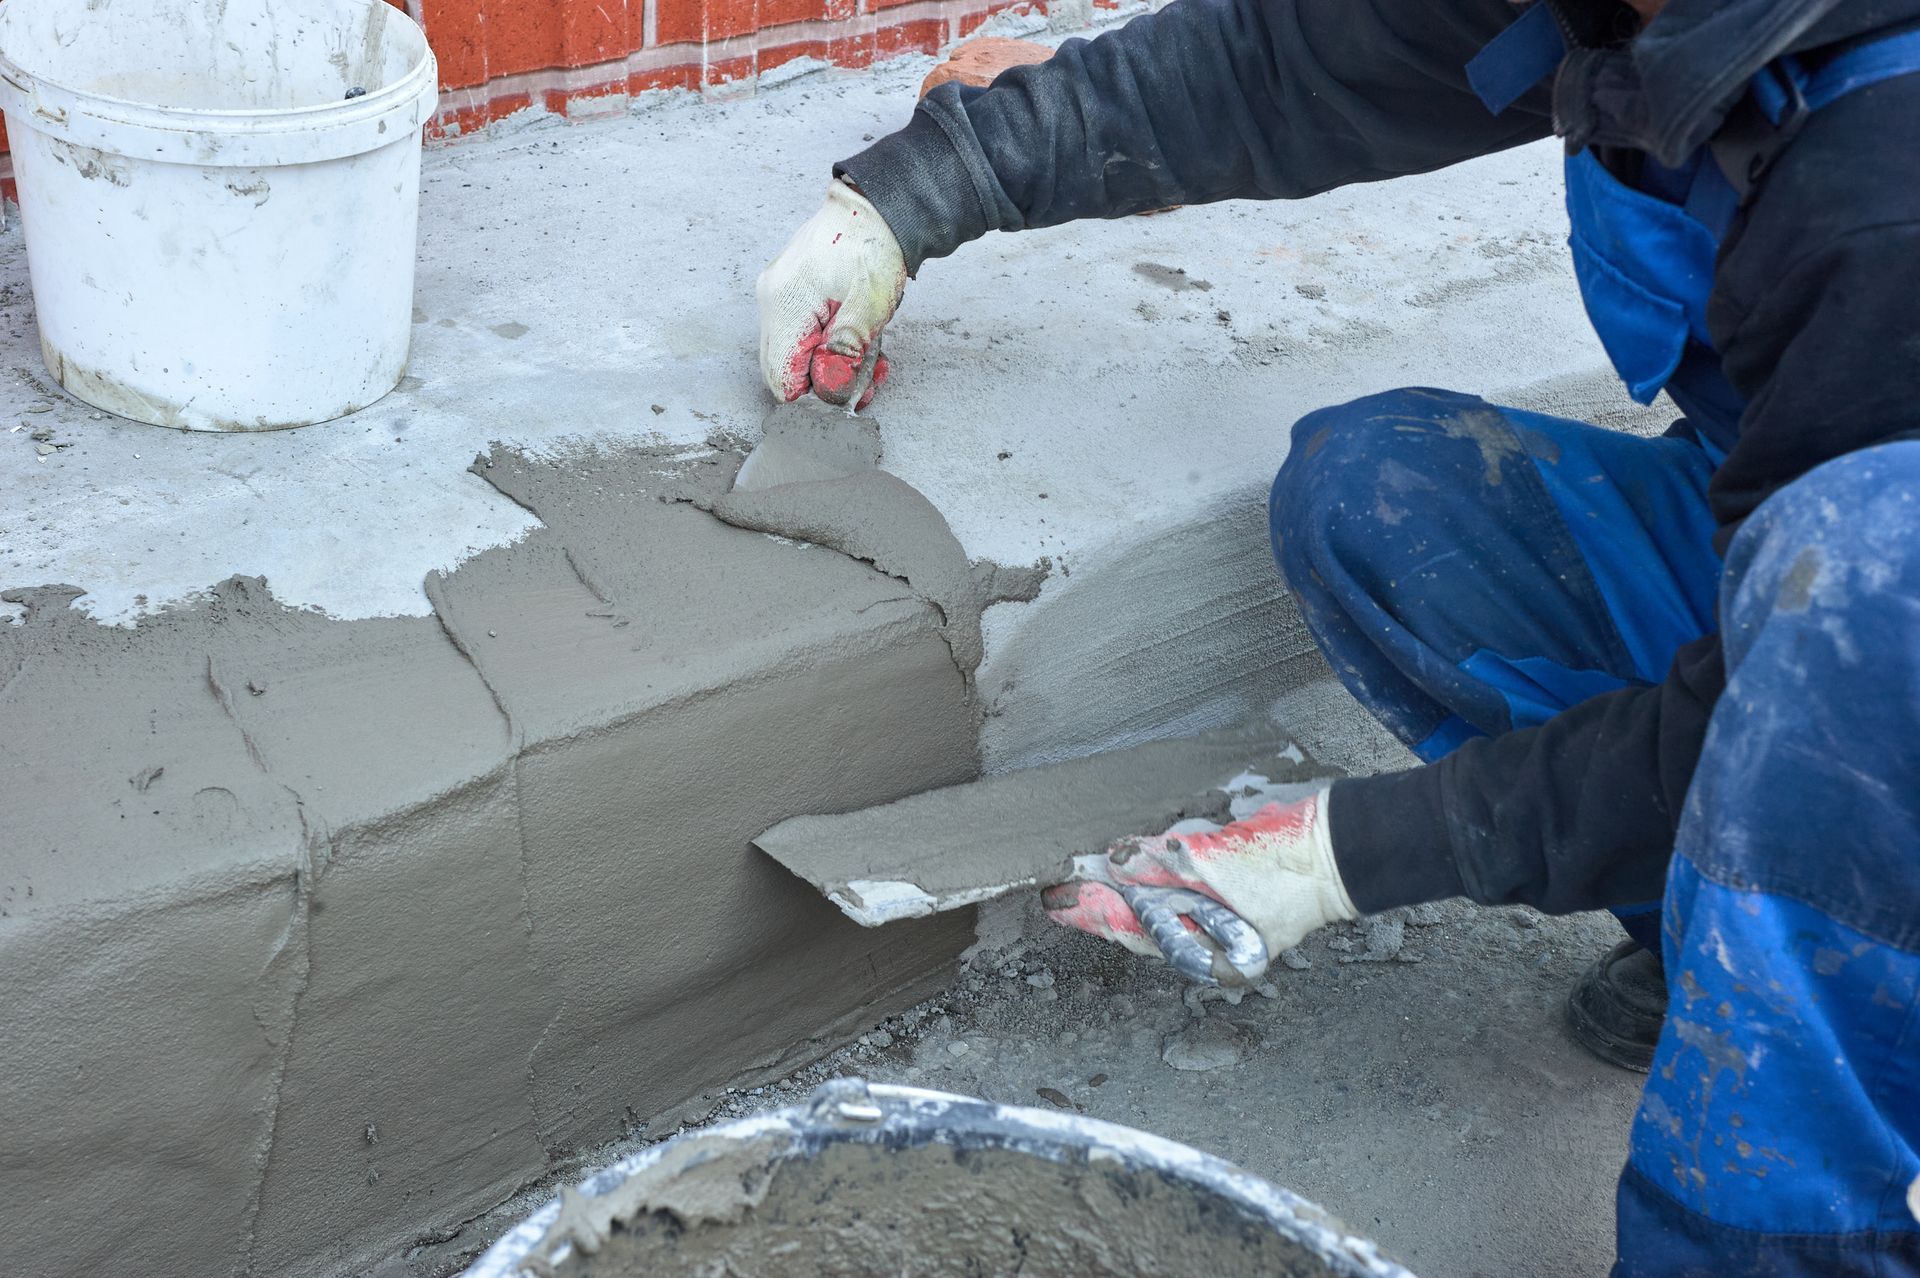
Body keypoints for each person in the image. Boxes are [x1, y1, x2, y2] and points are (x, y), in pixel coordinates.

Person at [755, 0, 1920, 1271]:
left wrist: (1348, 853)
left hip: (1877, 675)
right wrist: (916, 194)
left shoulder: (1888, 186)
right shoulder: (1635, 15)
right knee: (1383, 495)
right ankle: (1709, 931)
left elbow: (1816, 717)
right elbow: (1286, 63)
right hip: (1831, 573)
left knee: (1803, 946)